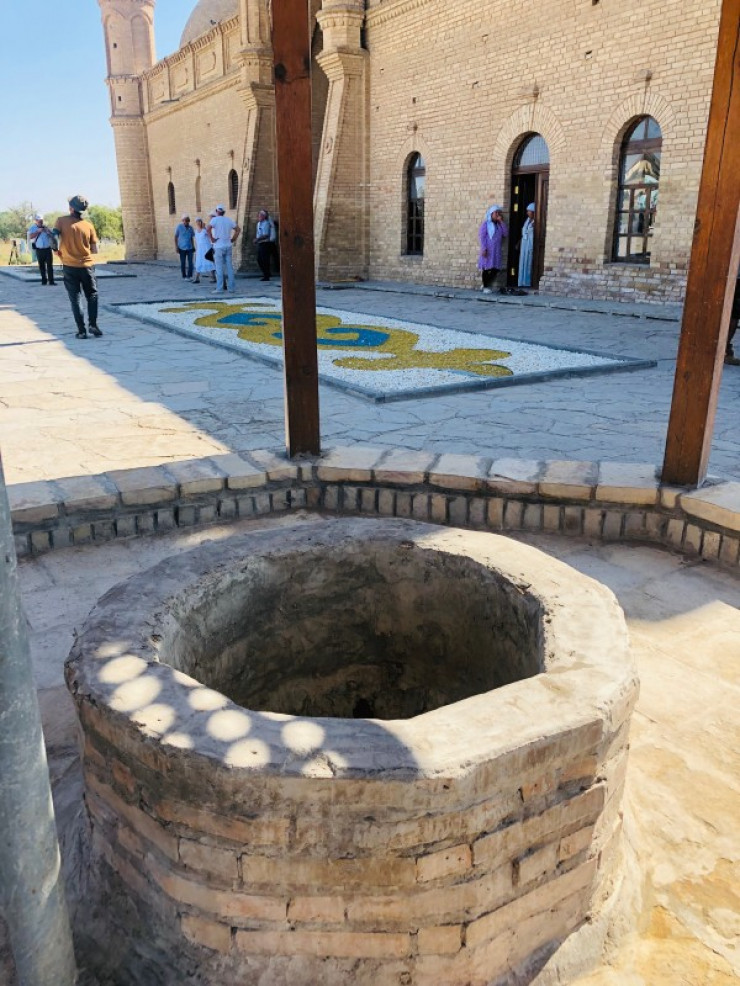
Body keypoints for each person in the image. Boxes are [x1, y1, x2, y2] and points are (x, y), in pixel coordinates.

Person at [53, 194, 102, 339]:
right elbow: (95, 249)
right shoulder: (89, 225)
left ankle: (81, 331)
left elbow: (53, 237)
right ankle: (93, 325)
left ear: (71, 208)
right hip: (87, 266)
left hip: (69, 266)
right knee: (92, 295)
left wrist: (55, 250)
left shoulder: (61, 221)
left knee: (75, 298)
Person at [207, 204, 241, 293]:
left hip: (218, 246)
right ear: (224, 212)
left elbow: (208, 229)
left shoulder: (214, 220)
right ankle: (231, 288)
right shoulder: (228, 220)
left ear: (216, 211)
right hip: (228, 245)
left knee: (219, 268)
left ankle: (220, 288)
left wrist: (212, 239)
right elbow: (238, 229)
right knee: (229, 267)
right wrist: (233, 239)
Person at [478, 205, 508, 294]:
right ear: (491, 214)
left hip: (496, 250)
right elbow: (482, 237)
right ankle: (486, 287)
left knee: (496, 268)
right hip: (488, 249)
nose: (498, 214)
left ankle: (485, 284)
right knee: (487, 268)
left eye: (499, 212)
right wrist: (484, 248)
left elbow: (505, 233)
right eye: (496, 213)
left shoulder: (499, 225)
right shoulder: (486, 224)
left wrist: (501, 222)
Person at [28, 214, 57, 286]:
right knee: (41, 266)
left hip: (47, 249)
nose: (41, 222)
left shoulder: (46, 227)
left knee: (49, 266)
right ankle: (44, 281)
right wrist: (38, 231)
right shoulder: (32, 228)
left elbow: (52, 236)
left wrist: (48, 232)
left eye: (41, 221)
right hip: (39, 250)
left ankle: (51, 281)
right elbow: (30, 237)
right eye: (39, 221)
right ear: (36, 221)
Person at [192, 217, 216, 284]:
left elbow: (209, 236)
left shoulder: (204, 230)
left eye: (200, 221)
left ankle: (214, 278)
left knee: (209, 261)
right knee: (199, 262)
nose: (199, 223)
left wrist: (205, 228)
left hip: (206, 248)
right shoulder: (196, 231)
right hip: (200, 249)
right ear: (196, 223)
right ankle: (197, 278)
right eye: (197, 221)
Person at [254, 209, 276, 281]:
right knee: (260, 260)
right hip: (260, 243)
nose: (259, 217)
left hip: (265, 243)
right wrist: (257, 240)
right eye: (258, 216)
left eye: (260, 216)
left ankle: (266, 275)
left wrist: (257, 239)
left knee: (264, 260)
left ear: (264, 217)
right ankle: (266, 273)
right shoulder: (258, 224)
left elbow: (266, 235)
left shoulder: (266, 223)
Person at [518, 203, 535, 291]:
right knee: (523, 262)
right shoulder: (527, 220)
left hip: (530, 245)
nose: (527, 213)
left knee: (529, 263)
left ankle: (528, 282)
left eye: (529, 211)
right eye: (527, 211)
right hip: (524, 245)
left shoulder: (536, 222)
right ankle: (522, 282)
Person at [725, 267, 740, 366]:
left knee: (733, 316)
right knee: (733, 316)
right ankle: (724, 350)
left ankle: (725, 350)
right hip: (735, 279)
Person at [174, 214, 196, 279]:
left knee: (190, 262)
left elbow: (191, 237)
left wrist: (193, 246)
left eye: (187, 221)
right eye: (185, 221)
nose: (186, 222)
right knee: (183, 262)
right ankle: (184, 275)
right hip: (181, 248)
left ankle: (189, 276)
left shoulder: (190, 228)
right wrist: (176, 247)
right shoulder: (179, 227)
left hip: (189, 247)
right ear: (182, 221)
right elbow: (175, 237)